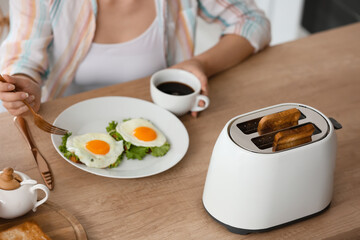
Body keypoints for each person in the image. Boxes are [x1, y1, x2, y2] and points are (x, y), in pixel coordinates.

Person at [0, 0, 271, 117]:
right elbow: (23, 55)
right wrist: (24, 82)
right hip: (64, 126)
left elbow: (252, 21)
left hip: (157, 124)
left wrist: (200, 64)